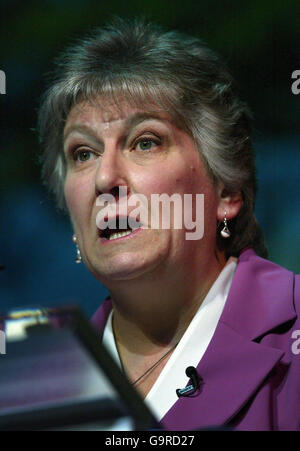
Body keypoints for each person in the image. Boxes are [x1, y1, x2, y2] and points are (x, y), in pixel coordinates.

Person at [37, 17, 300, 431]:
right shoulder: (34, 380)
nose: (105, 179)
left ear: (227, 191)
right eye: (83, 153)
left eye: (145, 141)